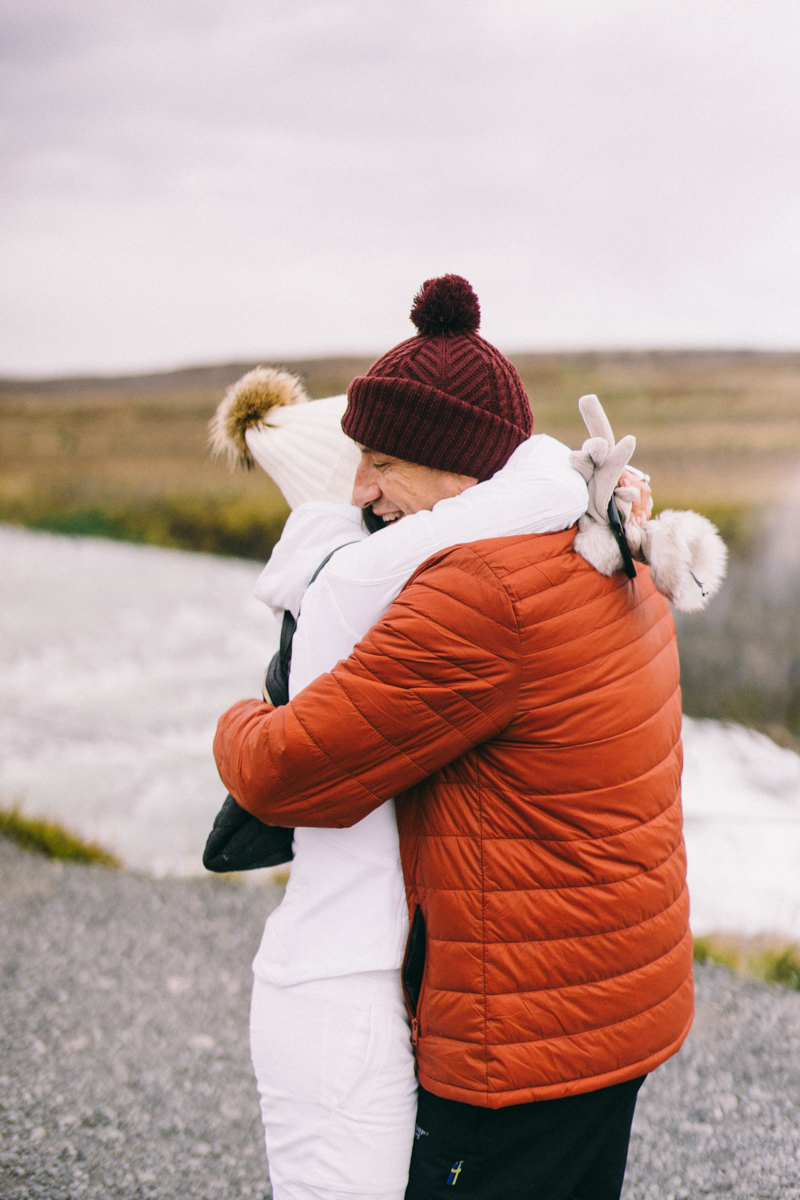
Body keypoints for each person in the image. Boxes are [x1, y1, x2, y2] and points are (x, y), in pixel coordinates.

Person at [213, 275, 691, 1200]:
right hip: (614, 1001)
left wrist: (239, 719)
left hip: (522, 1038)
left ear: (463, 471)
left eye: (383, 462)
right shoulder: (601, 539)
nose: (362, 489)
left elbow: (285, 774)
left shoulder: (480, 593)